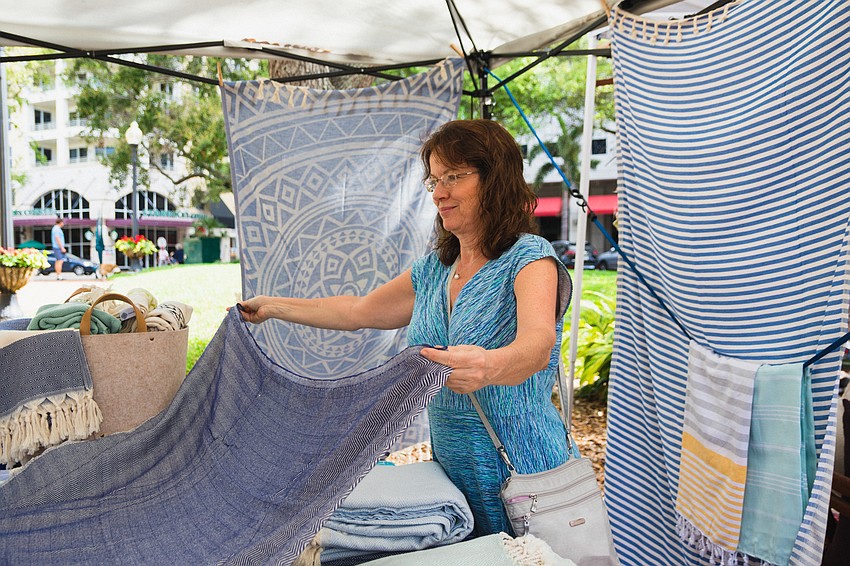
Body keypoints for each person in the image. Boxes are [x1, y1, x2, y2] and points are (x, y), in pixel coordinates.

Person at [237, 119, 571, 537]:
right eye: (434, 180)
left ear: (495, 178)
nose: (439, 193)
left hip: (522, 462)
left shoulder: (529, 258)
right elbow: (357, 311)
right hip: (452, 465)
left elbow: (537, 347)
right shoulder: (436, 269)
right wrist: (273, 306)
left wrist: (487, 365)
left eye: (453, 177)